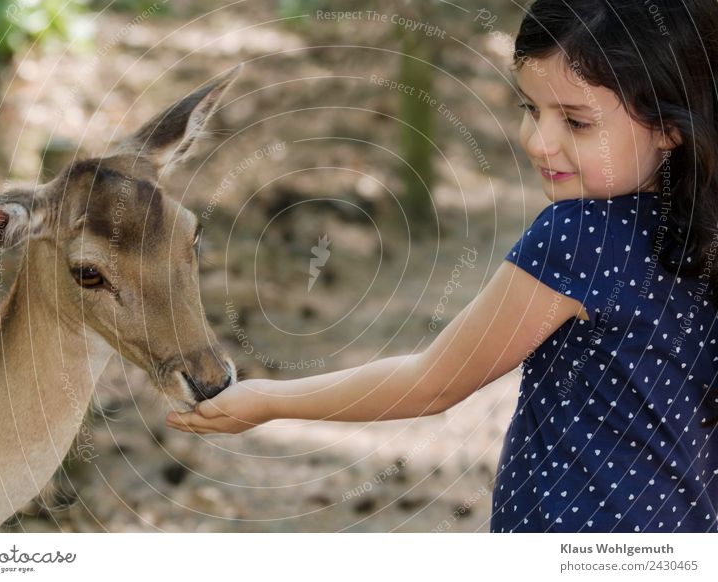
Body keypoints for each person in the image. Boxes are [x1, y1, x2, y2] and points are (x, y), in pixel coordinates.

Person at [167, 0, 718, 533]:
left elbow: (433, 382)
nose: (538, 141)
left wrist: (268, 401)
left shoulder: (580, 237)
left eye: (575, 122)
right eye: (530, 109)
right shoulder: (700, 234)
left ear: (670, 125)